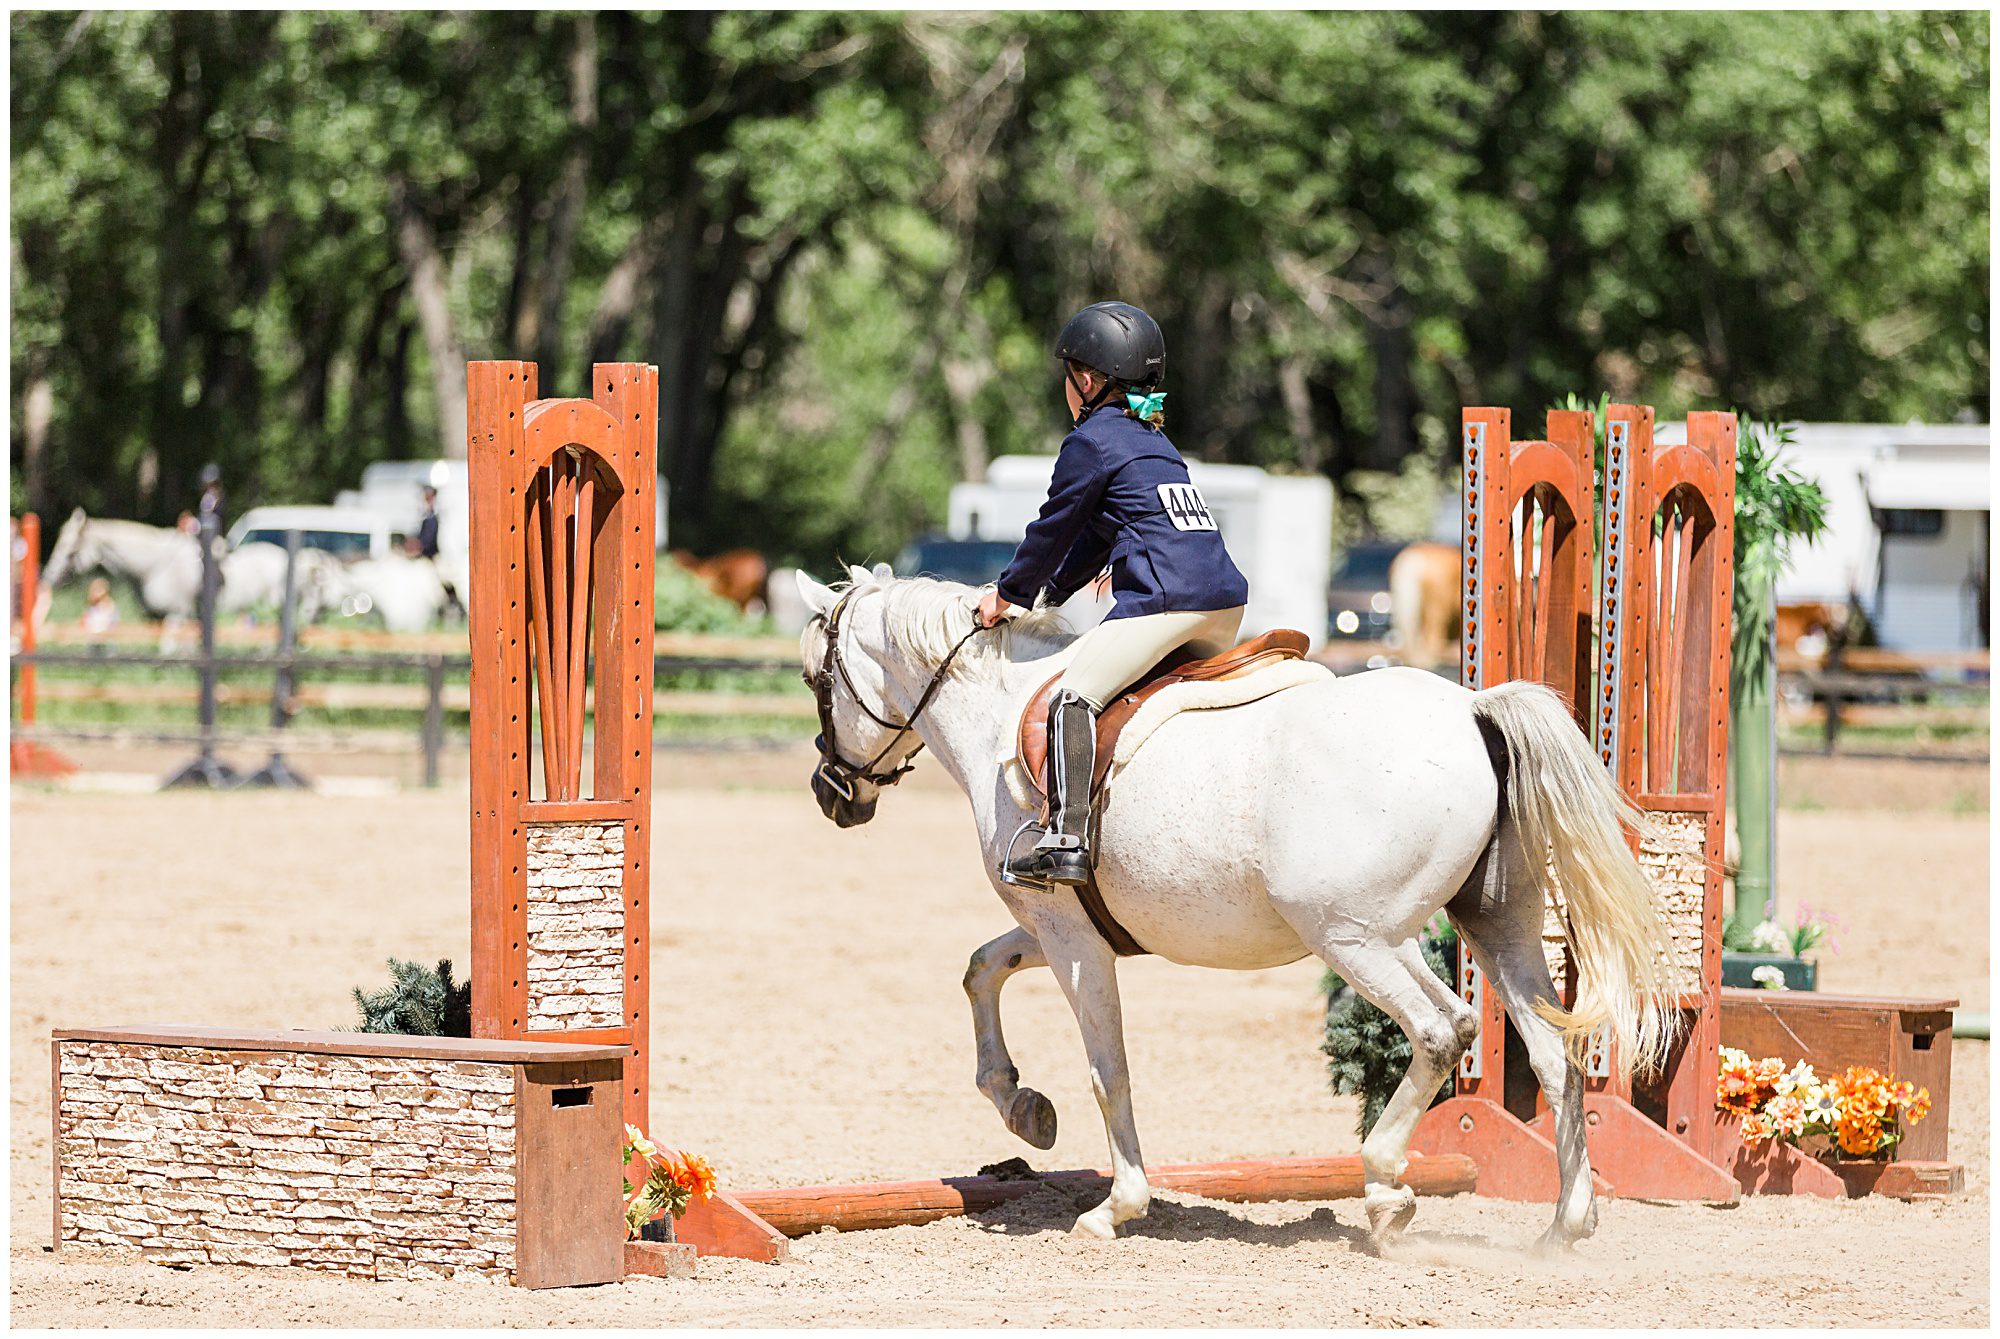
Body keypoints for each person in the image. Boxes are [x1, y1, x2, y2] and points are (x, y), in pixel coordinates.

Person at [974, 301, 1249, 886]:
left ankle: (1066, 838)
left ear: (1091, 381)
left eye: (1069, 373)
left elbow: (1054, 527)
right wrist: (1045, 595)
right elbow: (1100, 535)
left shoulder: (1092, 441)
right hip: (1224, 603)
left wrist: (1007, 593)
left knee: (1071, 697)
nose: (1066, 387)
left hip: (1170, 603)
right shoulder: (1153, 442)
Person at [405, 486, 441, 559]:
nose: (424, 500)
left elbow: (428, 540)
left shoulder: (433, 518)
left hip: (430, 554)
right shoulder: (425, 515)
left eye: (427, 498)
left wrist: (418, 545)